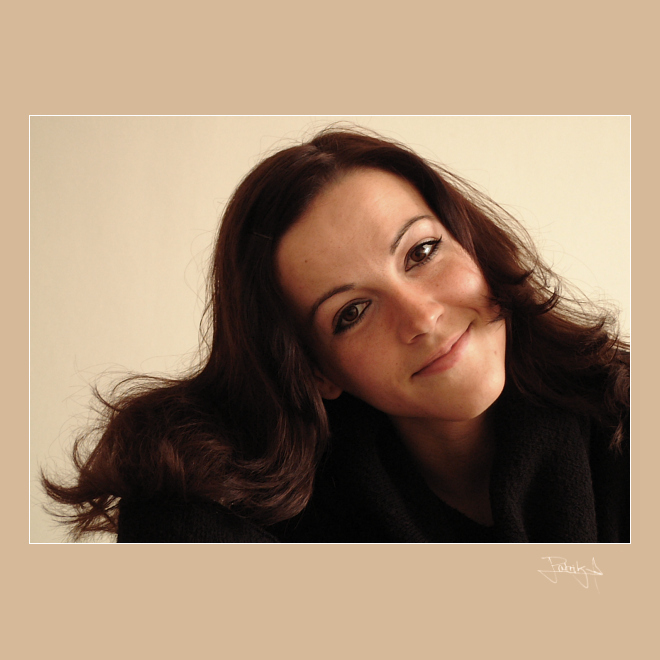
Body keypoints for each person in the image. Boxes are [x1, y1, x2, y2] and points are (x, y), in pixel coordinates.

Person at [42, 127, 630, 543]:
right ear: (317, 370)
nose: (421, 317)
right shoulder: (231, 516)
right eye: (352, 312)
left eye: (422, 251)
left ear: (472, 245)